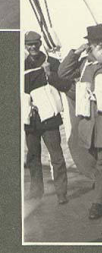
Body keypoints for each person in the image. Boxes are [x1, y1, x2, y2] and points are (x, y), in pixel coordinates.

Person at [58, 24, 102, 219]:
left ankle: (101, 203)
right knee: (96, 161)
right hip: (88, 125)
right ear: (89, 44)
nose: (100, 45)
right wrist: (76, 52)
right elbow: (62, 74)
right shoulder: (84, 63)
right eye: (94, 42)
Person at [24, 31, 72, 204]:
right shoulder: (21, 65)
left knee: (56, 156)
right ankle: (36, 192)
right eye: (29, 44)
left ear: (40, 43)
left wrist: (50, 74)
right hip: (31, 119)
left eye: (35, 43)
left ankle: (61, 193)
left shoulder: (51, 62)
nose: (33, 47)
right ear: (25, 46)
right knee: (33, 156)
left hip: (50, 118)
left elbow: (64, 85)